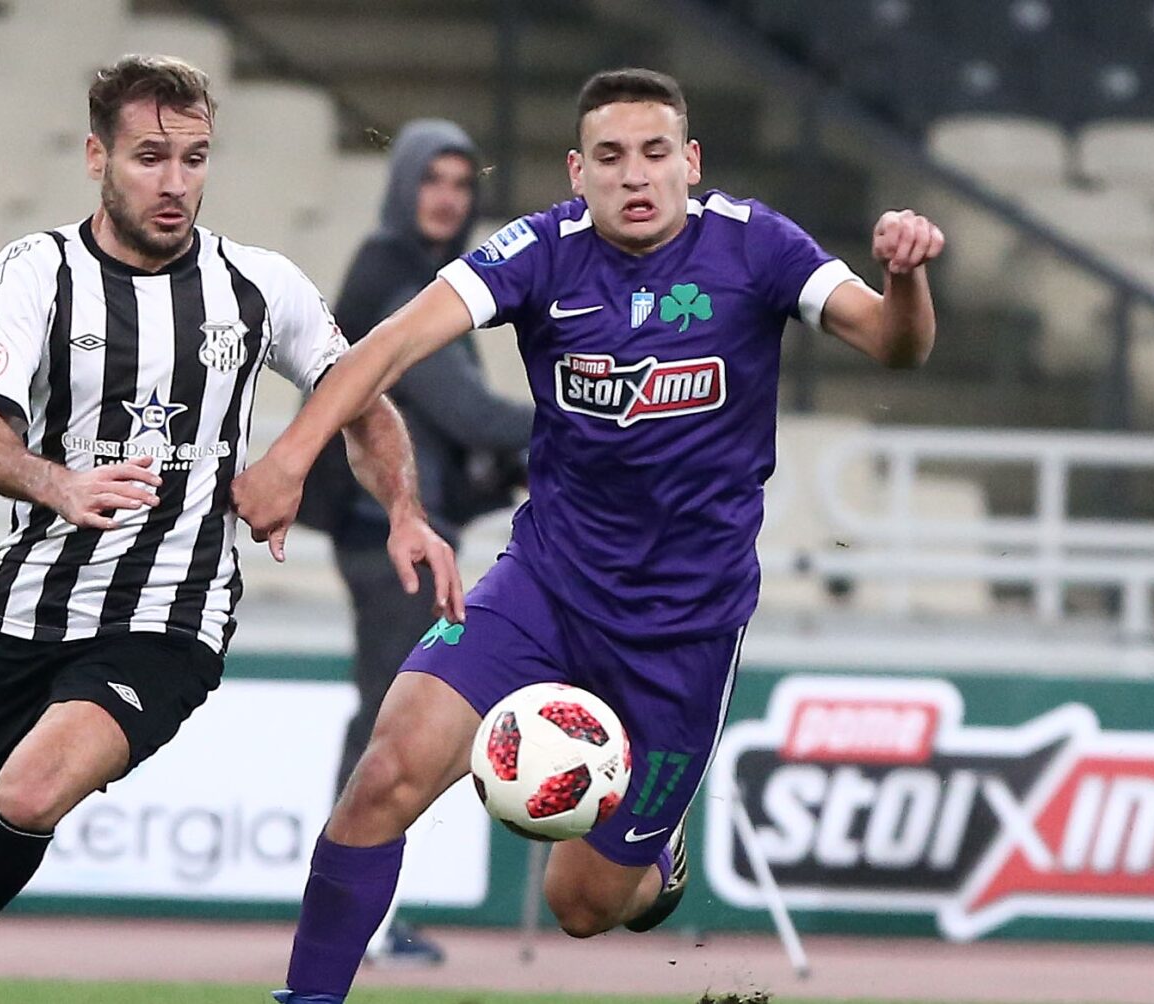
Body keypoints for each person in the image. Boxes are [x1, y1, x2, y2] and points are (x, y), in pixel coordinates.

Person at [231, 68, 945, 1004]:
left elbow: (897, 345)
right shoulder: (542, 250)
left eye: (655, 152)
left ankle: (655, 859)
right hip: (545, 587)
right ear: (578, 172)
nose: (634, 174)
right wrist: (289, 457)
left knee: (582, 904)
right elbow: (392, 344)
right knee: (386, 774)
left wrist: (904, 278)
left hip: (683, 632)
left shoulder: (757, 245)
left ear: (691, 161)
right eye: (609, 156)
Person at [0, 54, 462, 1004]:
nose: (175, 183)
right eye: (149, 158)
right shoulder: (38, 272)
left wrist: (405, 513)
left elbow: (365, 403)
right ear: (98, 157)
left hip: (169, 615)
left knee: (31, 788)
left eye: (194, 158)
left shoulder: (259, 286)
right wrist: (56, 483)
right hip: (27, 602)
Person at [323, 119, 534, 965]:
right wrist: (597, 425)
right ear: (402, 185)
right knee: (390, 727)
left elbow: (456, 435)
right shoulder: (398, 277)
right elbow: (467, 414)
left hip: (393, 529)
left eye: (461, 182)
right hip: (389, 534)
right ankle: (358, 919)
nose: (447, 198)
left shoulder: (411, 272)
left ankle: (355, 912)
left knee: (385, 718)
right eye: (432, 180)